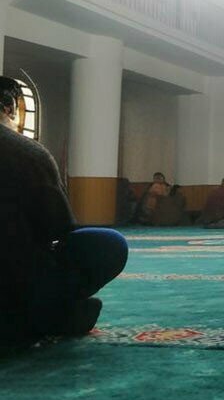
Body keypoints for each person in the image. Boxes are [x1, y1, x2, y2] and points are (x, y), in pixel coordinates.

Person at [0, 76, 128, 342]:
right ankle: (44, 317)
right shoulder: (28, 153)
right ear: (9, 108)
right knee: (108, 244)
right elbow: (58, 227)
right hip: (17, 285)